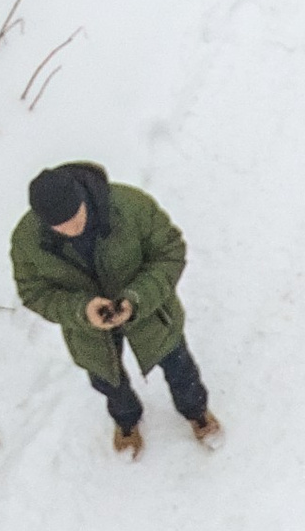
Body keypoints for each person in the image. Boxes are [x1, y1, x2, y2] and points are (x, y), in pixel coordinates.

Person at [11, 162, 220, 458]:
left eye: (75, 216)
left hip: (152, 315)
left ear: (83, 198)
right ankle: (126, 421)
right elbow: (34, 292)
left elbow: (170, 252)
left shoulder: (130, 206)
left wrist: (136, 299)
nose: (72, 229)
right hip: (89, 333)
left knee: (179, 367)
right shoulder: (27, 241)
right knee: (108, 380)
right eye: (60, 226)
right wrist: (81, 310)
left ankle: (196, 411)